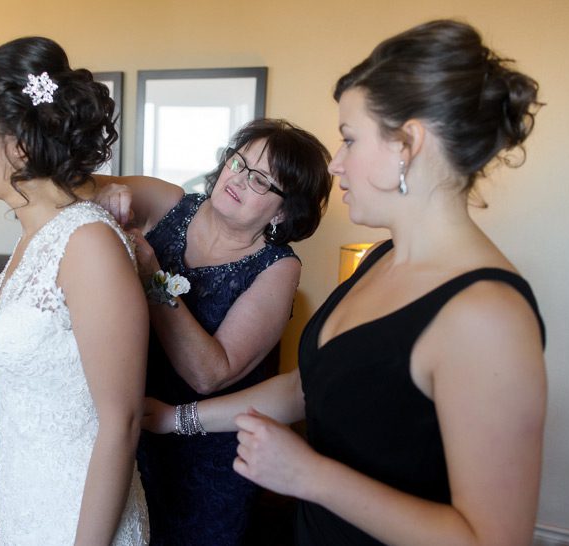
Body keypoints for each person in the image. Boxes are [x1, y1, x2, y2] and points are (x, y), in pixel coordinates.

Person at [143, 19, 547, 546]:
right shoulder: (381, 259)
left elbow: (494, 540)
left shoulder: (488, 314)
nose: (335, 165)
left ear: (407, 144)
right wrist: (178, 421)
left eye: (349, 140)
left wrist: (308, 475)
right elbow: (311, 385)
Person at [0, 37, 149, 545]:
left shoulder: (90, 245)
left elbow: (121, 422)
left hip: (79, 518)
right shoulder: (34, 238)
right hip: (25, 498)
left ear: (18, 141)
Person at [96, 118, 332, 545]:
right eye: (239, 163)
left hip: (205, 453)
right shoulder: (169, 202)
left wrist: (153, 276)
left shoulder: (279, 268)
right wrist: (107, 191)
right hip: (126, 424)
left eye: (261, 180)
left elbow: (210, 373)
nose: (239, 178)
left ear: (284, 210)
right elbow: (72, 187)